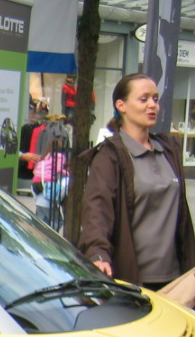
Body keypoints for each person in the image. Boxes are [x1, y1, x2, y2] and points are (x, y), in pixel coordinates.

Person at [79, 73, 195, 289]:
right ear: (121, 105)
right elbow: (97, 209)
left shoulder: (169, 149)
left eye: (155, 99)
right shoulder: (110, 155)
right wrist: (97, 252)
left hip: (177, 277)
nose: (153, 105)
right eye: (144, 99)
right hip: (133, 280)